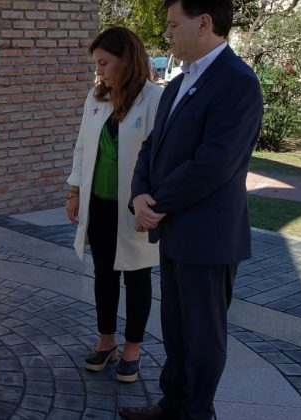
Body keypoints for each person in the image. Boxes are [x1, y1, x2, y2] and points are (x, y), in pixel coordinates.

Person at [118, 1, 263, 419]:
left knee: (203, 337)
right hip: (175, 229)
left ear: (204, 23)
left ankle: (197, 412)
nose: (166, 34)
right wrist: (139, 195)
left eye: (172, 25)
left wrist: (155, 204)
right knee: (176, 331)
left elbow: (214, 163)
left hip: (208, 236)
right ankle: (173, 404)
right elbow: (151, 147)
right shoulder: (180, 82)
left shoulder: (237, 82)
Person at [66, 27, 162, 383]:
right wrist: (74, 191)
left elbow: (161, 160)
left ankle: (133, 348)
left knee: (137, 277)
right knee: (104, 276)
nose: (100, 71)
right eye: (97, 64)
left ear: (127, 59)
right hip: (99, 204)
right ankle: (106, 340)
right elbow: (81, 148)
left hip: (134, 208)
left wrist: (150, 207)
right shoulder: (96, 98)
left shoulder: (154, 99)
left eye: (105, 63)